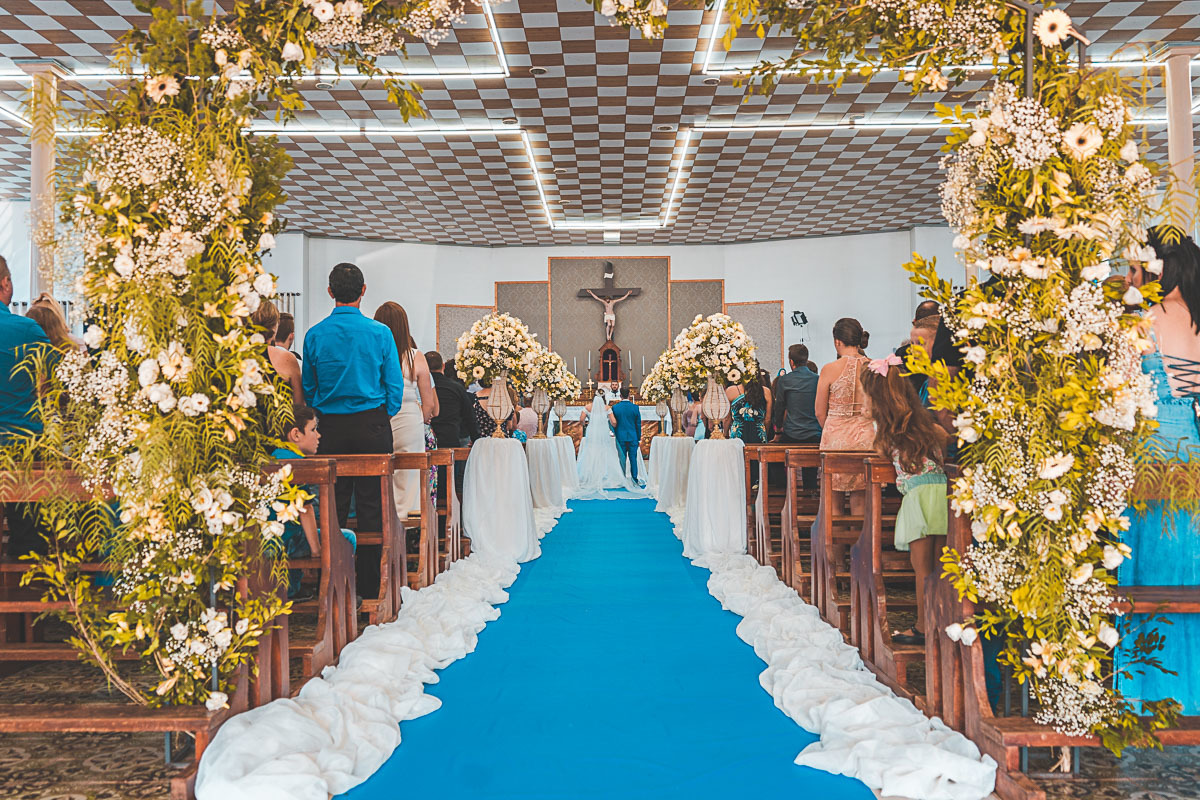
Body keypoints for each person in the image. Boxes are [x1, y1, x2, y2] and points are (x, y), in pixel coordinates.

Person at [1119, 225, 1200, 713]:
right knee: (1188, 565)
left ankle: (1146, 693)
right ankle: (1191, 690)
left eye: (1135, 268)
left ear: (1158, 269)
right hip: (1191, 447)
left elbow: (1118, 391)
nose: (1132, 277)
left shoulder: (1146, 321)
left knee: (1147, 566)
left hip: (1151, 450)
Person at [302, 263, 404, 596]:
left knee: (332, 506)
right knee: (372, 507)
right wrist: (378, 416)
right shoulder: (380, 333)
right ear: (363, 291)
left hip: (330, 427)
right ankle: (371, 587)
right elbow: (394, 387)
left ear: (330, 292)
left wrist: (326, 411)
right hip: (371, 423)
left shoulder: (314, 335)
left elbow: (309, 387)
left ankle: (331, 583)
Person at [860, 355, 948, 646]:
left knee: (922, 570)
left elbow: (881, 454)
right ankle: (941, 623)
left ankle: (924, 629)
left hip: (918, 500)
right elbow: (944, 438)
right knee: (940, 568)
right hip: (943, 494)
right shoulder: (926, 426)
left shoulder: (887, 433)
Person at [271, 405, 357, 599]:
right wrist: (317, 551)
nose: (318, 435)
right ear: (296, 434)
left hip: (268, 538)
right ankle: (338, 597)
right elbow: (306, 509)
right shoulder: (297, 463)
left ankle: (293, 590)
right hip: (286, 540)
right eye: (313, 429)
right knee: (347, 538)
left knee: (300, 533)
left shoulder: (274, 456)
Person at [0, 257, 51, 557]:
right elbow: (62, 381)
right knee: (29, 533)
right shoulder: (27, 330)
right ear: (5, 283)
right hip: (22, 445)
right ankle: (28, 583)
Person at [374, 301, 438, 518]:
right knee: (409, 472)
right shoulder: (415, 356)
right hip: (410, 419)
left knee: (383, 470)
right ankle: (410, 519)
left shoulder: (375, 355)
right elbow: (429, 405)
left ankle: (385, 518)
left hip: (379, 417)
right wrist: (421, 417)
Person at [816, 318, 874, 515]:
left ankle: (835, 546)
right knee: (861, 499)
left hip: (835, 438)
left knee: (833, 500)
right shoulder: (874, 367)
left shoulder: (829, 369)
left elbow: (819, 411)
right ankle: (861, 544)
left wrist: (833, 427)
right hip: (865, 437)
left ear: (837, 341)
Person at [250, 300, 304, 405]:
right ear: (275, 326)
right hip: (280, 419)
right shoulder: (287, 359)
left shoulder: (237, 355)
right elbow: (299, 404)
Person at [426, 351, 478, 449]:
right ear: (443, 366)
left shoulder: (421, 387)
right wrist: (476, 439)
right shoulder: (456, 388)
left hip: (427, 440)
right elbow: (469, 416)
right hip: (450, 439)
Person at [726, 362, 771, 444]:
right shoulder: (766, 392)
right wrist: (764, 433)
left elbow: (727, 419)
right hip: (759, 435)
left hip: (737, 437)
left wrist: (725, 434)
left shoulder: (731, 391)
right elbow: (767, 419)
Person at [608, 386, 643, 485]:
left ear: (620, 396)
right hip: (633, 437)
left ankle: (622, 479)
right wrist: (638, 438)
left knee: (622, 459)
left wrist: (615, 432)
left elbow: (613, 423)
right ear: (629, 395)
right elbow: (638, 424)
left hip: (620, 436)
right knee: (633, 458)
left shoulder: (615, 408)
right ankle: (634, 479)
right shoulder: (635, 407)